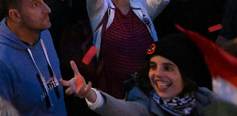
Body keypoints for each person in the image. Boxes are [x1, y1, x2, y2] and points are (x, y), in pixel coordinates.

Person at [62, 34, 215, 115]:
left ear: (184, 75)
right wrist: (92, 95)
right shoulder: (144, 100)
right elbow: (125, 110)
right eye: (153, 66)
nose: (157, 74)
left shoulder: (204, 98)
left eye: (168, 68)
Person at [0, 0, 66, 115]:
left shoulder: (44, 34)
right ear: (15, 15)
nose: (47, 9)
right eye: (35, 5)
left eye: (43, 1)